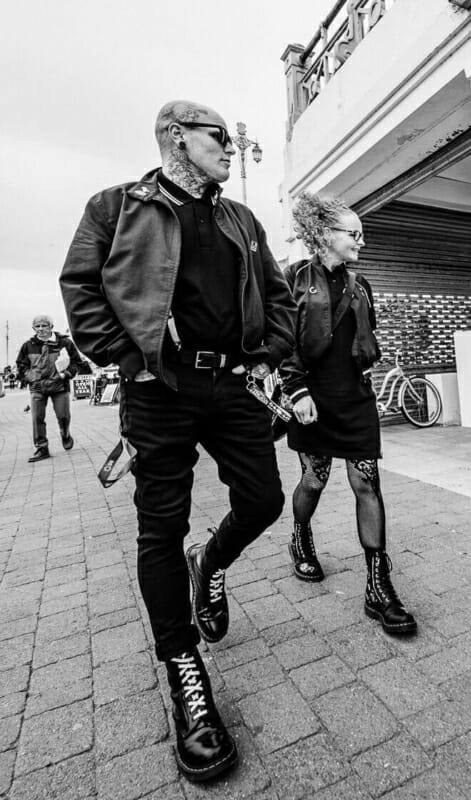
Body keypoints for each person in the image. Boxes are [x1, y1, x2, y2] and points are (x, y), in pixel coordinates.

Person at [60, 100, 296, 783]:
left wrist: (267, 352)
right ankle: (184, 670)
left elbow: (277, 296)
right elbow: (80, 285)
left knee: (263, 501)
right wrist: (129, 361)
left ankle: (212, 565)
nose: (229, 147)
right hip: (158, 390)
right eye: (218, 136)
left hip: (233, 387)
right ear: (176, 137)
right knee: (159, 529)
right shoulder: (115, 207)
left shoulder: (240, 218)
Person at [280, 192, 416, 636]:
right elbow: (283, 341)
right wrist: (296, 390)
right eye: (353, 233)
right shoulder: (294, 278)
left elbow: (363, 337)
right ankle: (300, 536)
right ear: (324, 235)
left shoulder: (361, 284)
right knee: (314, 480)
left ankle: (379, 587)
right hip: (312, 401)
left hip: (355, 399)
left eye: (361, 233)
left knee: (366, 482)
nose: (361, 240)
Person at [16, 315, 87, 462]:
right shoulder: (28, 346)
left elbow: (77, 362)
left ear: (51, 327)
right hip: (37, 387)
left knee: (63, 416)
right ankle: (42, 448)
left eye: (44, 325)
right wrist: (30, 376)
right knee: (37, 418)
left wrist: (65, 374)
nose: (41, 329)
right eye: (37, 326)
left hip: (59, 386)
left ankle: (65, 433)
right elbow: (21, 366)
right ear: (34, 328)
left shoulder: (65, 343)